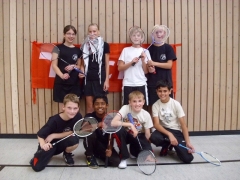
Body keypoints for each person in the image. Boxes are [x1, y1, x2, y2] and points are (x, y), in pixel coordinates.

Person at [30, 94, 82, 172]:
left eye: (75, 108)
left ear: (78, 108)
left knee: (74, 139)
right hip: (50, 144)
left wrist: (53, 135)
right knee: (37, 167)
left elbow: (73, 131)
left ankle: (67, 154)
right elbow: (40, 135)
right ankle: (38, 156)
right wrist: (43, 145)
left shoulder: (78, 117)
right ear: (63, 107)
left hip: (62, 142)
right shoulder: (54, 120)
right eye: (69, 108)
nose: (72, 111)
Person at [149, 80, 194, 163]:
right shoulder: (155, 105)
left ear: (170, 91)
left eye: (165, 91)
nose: (162, 93)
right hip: (164, 130)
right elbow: (156, 124)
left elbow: (183, 125)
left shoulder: (176, 104)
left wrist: (188, 142)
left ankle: (171, 145)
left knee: (188, 159)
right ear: (157, 92)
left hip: (176, 131)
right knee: (154, 137)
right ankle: (167, 144)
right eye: (160, 91)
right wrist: (169, 134)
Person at [111, 91, 153, 169]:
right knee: (119, 131)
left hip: (137, 135)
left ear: (143, 102)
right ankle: (124, 158)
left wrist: (149, 150)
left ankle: (133, 151)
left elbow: (147, 135)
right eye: (134, 101)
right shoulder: (126, 108)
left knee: (137, 153)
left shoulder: (146, 114)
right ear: (129, 102)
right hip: (126, 135)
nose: (137, 104)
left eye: (140, 101)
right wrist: (130, 125)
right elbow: (113, 122)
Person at [83, 95, 121, 168]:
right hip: (92, 143)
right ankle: (89, 155)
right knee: (90, 133)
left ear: (107, 105)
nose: (100, 106)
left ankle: (98, 154)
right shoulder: (89, 116)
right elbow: (83, 129)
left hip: (103, 145)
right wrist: (98, 125)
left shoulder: (110, 119)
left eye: (102, 103)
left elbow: (111, 137)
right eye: (97, 104)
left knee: (116, 162)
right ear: (93, 106)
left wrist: (109, 148)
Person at [52, 25, 84, 111]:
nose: (71, 36)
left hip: (74, 84)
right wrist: (62, 75)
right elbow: (54, 65)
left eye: (73, 34)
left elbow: (79, 66)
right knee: (63, 110)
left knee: (74, 110)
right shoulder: (57, 48)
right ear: (64, 35)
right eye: (68, 33)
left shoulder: (78, 51)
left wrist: (74, 66)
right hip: (61, 84)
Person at [81, 23, 110, 114]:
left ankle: (102, 127)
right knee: (90, 106)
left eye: (94, 31)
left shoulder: (104, 45)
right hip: (88, 79)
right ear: (88, 33)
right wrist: (81, 70)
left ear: (98, 32)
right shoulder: (85, 45)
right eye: (90, 31)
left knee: (101, 106)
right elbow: (82, 64)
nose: (92, 33)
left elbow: (107, 63)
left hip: (100, 79)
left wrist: (107, 80)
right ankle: (91, 127)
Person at [118, 26, 151, 105]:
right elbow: (120, 68)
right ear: (130, 37)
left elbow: (146, 71)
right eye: (134, 35)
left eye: (138, 35)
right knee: (127, 108)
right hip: (128, 84)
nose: (136, 38)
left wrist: (143, 60)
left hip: (141, 83)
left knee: (140, 108)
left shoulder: (145, 51)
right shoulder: (125, 50)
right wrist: (131, 62)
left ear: (141, 38)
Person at [147, 25, 177, 109]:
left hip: (166, 83)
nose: (159, 34)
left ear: (164, 33)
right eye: (157, 32)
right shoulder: (149, 49)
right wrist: (150, 69)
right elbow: (148, 68)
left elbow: (169, 65)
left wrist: (155, 63)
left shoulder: (168, 48)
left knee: (167, 107)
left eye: (161, 32)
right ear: (153, 34)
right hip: (153, 84)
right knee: (153, 108)